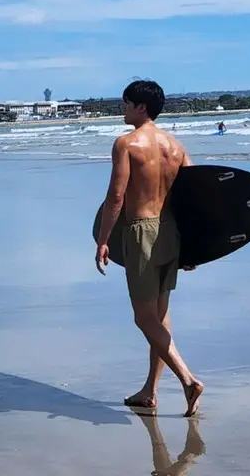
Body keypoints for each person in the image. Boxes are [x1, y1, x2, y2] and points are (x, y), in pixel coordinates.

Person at [94, 80, 204, 417]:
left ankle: (188, 380)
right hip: (171, 232)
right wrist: (194, 248)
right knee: (160, 317)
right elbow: (193, 199)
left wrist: (102, 239)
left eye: (126, 103)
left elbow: (116, 197)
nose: (123, 109)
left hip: (141, 232)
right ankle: (150, 391)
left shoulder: (127, 144)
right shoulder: (177, 147)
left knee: (144, 318)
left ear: (141, 107)